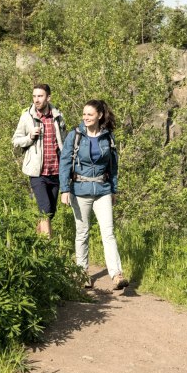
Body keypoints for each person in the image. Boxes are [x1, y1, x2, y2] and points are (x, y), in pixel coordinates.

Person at [59, 99, 129, 290]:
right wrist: (64, 189)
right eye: (84, 114)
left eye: (90, 114)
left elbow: (113, 167)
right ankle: (82, 274)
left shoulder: (108, 137)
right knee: (82, 233)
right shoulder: (75, 136)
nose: (86, 118)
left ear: (99, 115)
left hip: (102, 190)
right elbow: (64, 162)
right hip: (79, 191)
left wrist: (113, 189)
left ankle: (116, 274)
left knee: (108, 232)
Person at [12, 84, 66, 238]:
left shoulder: (58, 116)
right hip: (37, 172)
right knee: (45, 209)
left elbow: (64, 141)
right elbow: (15, 141)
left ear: (48, 97)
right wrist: (29, 137)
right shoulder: (27, 117)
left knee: (50, 212)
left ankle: (35, 239)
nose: (36, 100)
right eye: (34, 96)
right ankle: (49, 246)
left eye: (40, 96)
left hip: (55, 170)